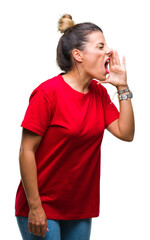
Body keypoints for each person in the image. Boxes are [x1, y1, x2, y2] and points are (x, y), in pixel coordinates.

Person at [15, 14, 135, 240]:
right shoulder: (47, 94)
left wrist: (122, 87)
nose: (108, 51)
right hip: (42, 206)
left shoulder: (98, 93)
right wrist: (35, 207)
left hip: (79, 207)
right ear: (78, 55)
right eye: (100, 46)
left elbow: (126, 133)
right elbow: (26, 151)